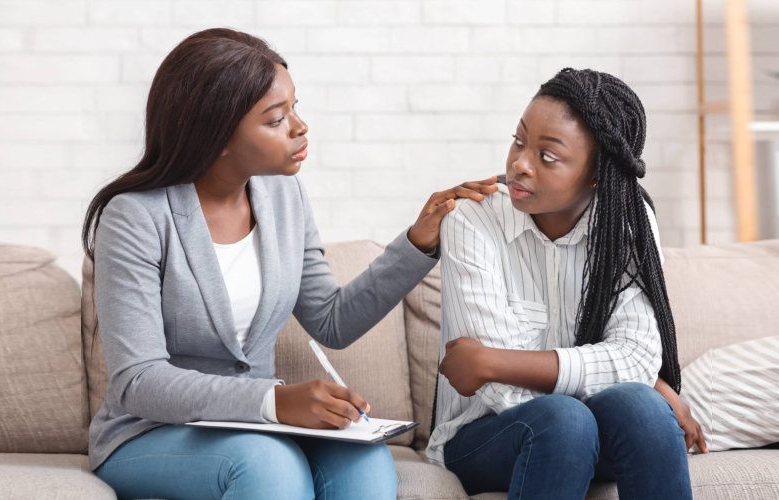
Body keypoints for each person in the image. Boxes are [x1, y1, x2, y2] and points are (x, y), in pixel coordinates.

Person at [81, 28, 498, 500]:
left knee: (364, 459)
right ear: (215, 134)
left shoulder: (283, 196)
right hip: (151, 431)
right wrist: (272, 401)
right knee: (269, 467)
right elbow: (139, 381)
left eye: (295, 108)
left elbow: (331, 320)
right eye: (276, 119)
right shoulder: (135, 217)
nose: (300, 127)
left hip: (256, 428)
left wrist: (419, 242)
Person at [428, 68, 704, 500]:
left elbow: (636, 357)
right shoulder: (471, 221)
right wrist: (614, 371)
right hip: (484, 436)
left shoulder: (627, 223)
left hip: (585, 429)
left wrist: (493, 361)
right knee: (565, 419)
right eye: (519, 141)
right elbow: (501, 391)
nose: (519, 164)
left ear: (596, 174)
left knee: (645, 410)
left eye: (547, 156)